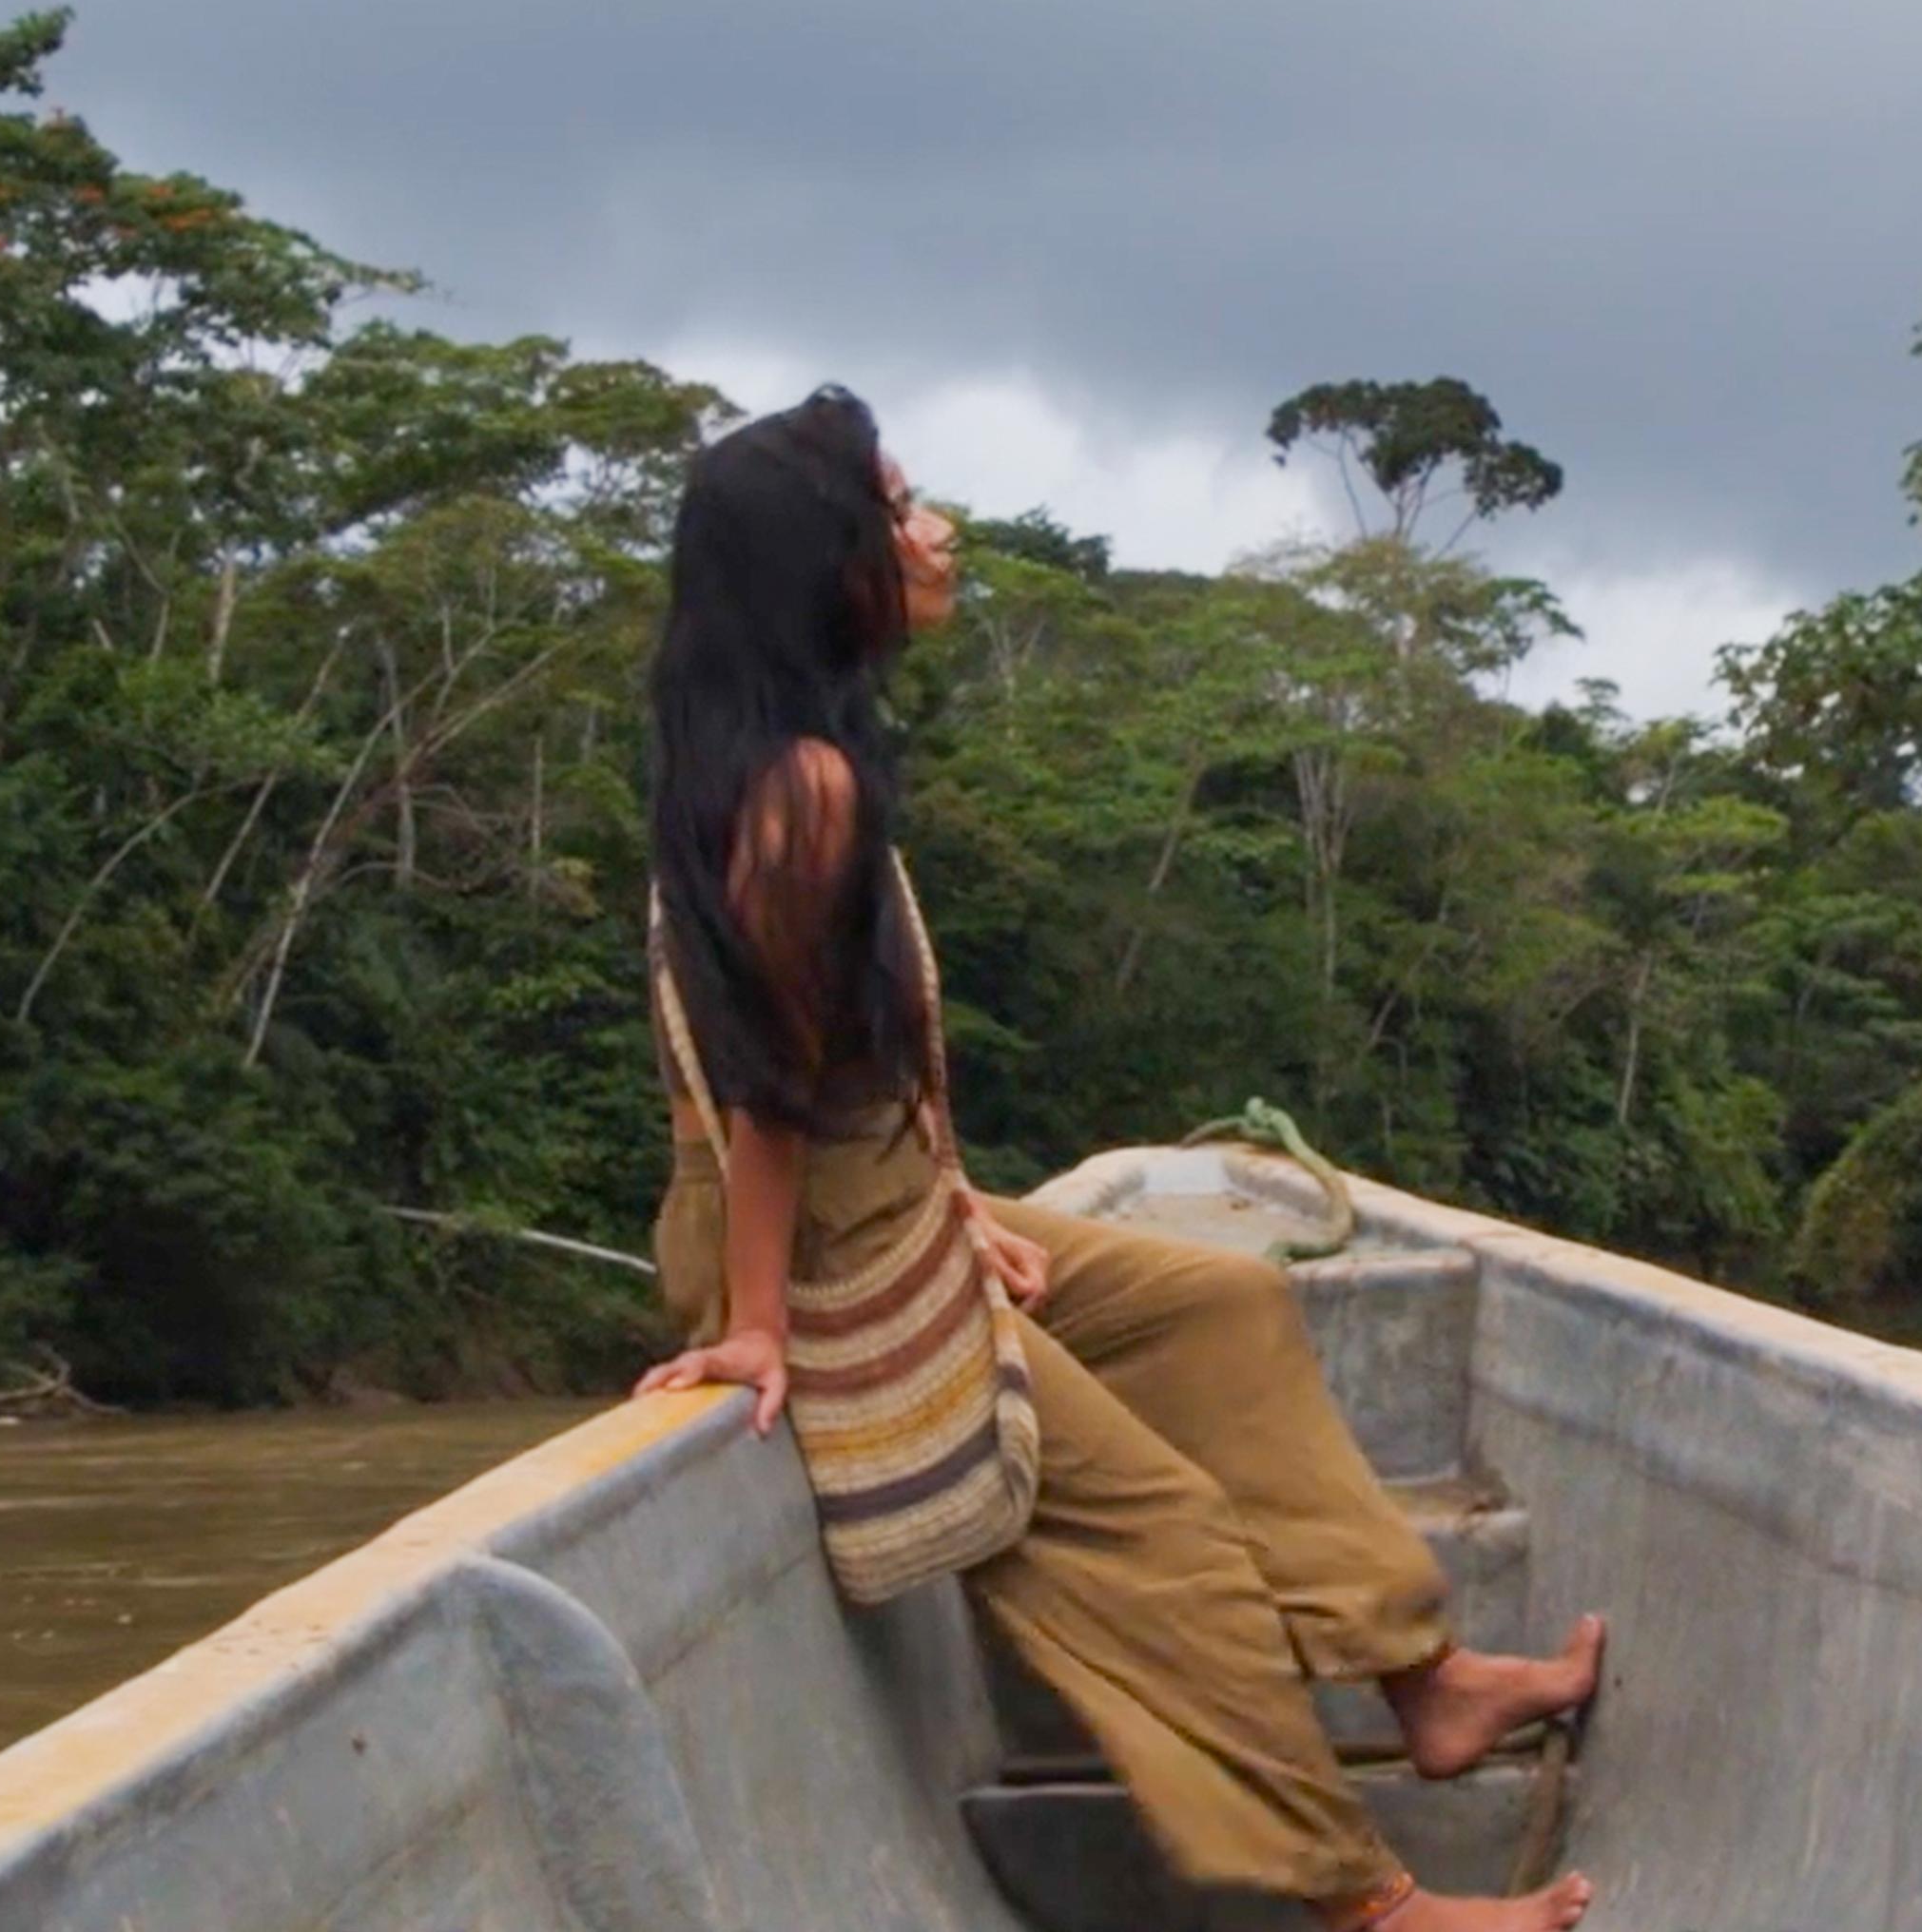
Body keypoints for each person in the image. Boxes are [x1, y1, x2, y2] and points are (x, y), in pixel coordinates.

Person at [632, 389, 1603, 1932]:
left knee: (1217, 1313)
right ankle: (1370, 1907)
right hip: (808, 1238)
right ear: (825, 564)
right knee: (1166, 1536)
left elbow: (849, 1063)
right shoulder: (796, 795)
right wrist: (758, 1324)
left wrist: (954, 1209)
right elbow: (763, 1101)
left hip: (879, 1192)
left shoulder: (805, 748)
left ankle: (1425, 1682)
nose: (936, 530)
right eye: (895, 512)